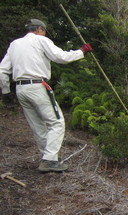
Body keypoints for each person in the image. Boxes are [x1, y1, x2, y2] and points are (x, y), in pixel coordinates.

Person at [0, 18, 92, 172]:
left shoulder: (15, 44)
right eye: (44, 31)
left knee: (37, 125)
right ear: (40, 29)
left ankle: (49, 157)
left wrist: (5, 91)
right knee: (57, 122)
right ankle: (49, 159)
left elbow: (2, 70)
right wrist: (81, 51)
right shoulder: (41, 40)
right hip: (37, 86)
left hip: (20, 89)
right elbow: (61, 57)